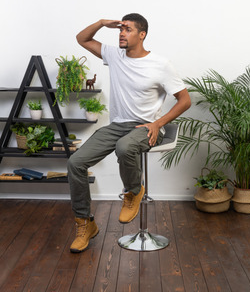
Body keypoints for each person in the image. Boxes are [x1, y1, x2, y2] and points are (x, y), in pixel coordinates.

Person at [68, 13, 191, 253]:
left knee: (125, 147)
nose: (122, 33)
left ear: (142, 34)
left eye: (128, 30)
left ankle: (133, 192)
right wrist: (103, 23)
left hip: (147, 125)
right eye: (120, 30)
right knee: (75, 162)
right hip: (118, 126)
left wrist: (158, 123)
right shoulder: (114, 55)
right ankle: (85, 224)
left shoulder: (160, 64)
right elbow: (82, 39)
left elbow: (184, 100)